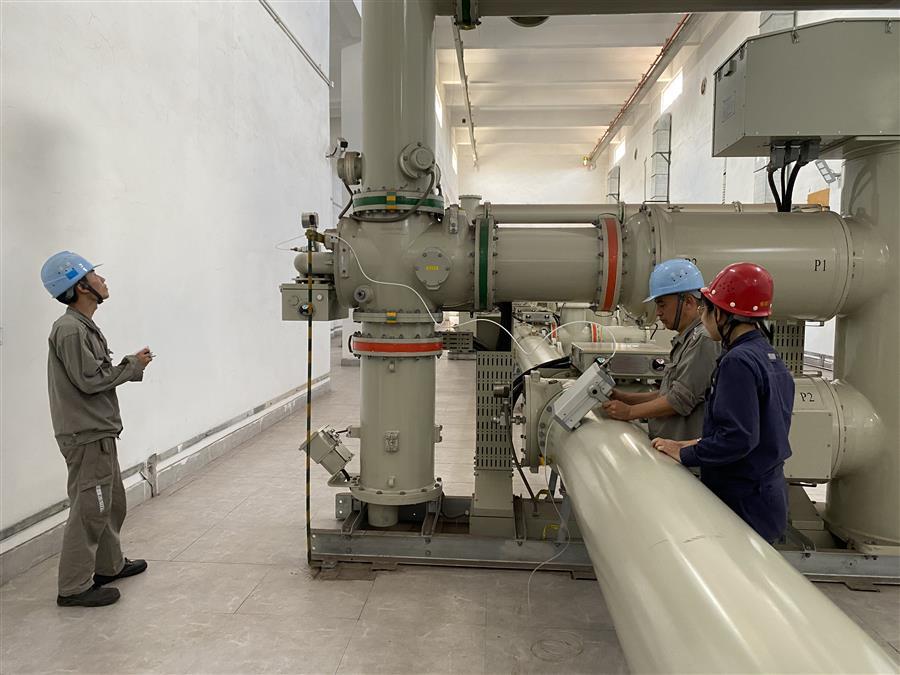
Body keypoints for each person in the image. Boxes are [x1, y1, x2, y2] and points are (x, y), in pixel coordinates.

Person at [651, 262, 795, 543]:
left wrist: (686, 454)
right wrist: (688, 443)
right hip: (766, 495)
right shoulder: (767, 355)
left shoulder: (737, 362)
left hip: (742, 500)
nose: (702, 316)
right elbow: (754, 431)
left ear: (723, 315)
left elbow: (738, 438)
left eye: (707, 309)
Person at [41, 251, 152, 607]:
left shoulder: (82, 326)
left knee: (110, 503)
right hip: (86, 435)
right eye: (94, 275)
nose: (102, 280)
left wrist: (130, 365)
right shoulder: (70, 330)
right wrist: (132, 365)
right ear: (81, 287)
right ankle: (73, 587)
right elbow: (90, 381)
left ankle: (108, 566)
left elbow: (92, 375)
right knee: (90, 509)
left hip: (97, 432)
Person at [601, 259, 719, 442]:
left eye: (662, 304)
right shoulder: (687, 339)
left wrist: (630, 412)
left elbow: (680, 400)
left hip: (683, 454)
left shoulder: (703, 340)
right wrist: (625, 398)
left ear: (688, 302)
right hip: (669, 448)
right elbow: (668, 393)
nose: (658, 312)